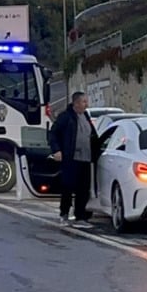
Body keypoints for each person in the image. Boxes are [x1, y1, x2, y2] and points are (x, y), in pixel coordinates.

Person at [49, 91, 99, 227]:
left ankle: (80, 216)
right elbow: (53, 134)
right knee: (68, 186)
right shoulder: (66, 117)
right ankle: (64, 214)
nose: (86, 104)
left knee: (83, 189)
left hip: (86, 159)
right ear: (76, 103)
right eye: (84, 102)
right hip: (71, 158)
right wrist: (56, 150)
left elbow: (93, 135)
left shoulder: (86, 116)